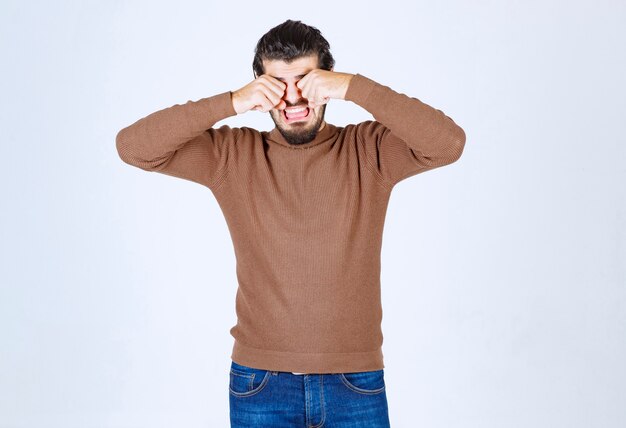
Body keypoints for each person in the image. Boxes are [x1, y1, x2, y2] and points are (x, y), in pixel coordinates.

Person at [116, 18, 466, 428]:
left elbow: (447, 144)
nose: (293, 98)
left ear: (328, 80)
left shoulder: (369, 150)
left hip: (355, 382)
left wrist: (355, 86)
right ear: (259, 88)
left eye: (306, 80)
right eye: (277, 84)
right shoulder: (232, 156)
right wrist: (230, 102)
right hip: (261, 384)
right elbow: (133, 148)